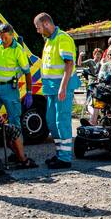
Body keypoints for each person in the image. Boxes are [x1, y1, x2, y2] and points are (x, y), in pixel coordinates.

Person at [0, 23, 37, 169]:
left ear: (11, 35)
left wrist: (29, 92)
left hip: (10, 89)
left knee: (14, 120)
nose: (3, 40)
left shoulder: (18, 49)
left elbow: (27, 72)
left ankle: (17, 152)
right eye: (1, 37)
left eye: (6, 38)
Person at [33, 12, 79, 169]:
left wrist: (63, 87)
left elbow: (69, 64)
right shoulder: (49, 40)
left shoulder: (62, 38)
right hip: (52, 89)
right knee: (52, 121)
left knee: (62, 121)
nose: (37, 31)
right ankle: (60, 153)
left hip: (62, 87)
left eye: (38, 27)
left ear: (46, 23)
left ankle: (65, 158)